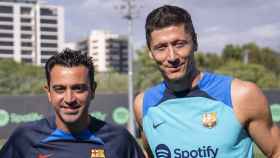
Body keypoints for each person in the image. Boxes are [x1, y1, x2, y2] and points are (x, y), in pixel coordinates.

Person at [134, 5, 280, 158]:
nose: (172, 57)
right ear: (150, 52)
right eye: (161, 47)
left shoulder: (241, 95)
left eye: (179, 44)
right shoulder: (143, 104)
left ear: (195, 42)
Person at [0, 49, 144, 158]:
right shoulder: (24, 138)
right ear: (49, 92)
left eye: (78, 88)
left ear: (92, 90)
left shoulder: (119, 139)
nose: (69, 99)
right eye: (60, 89)